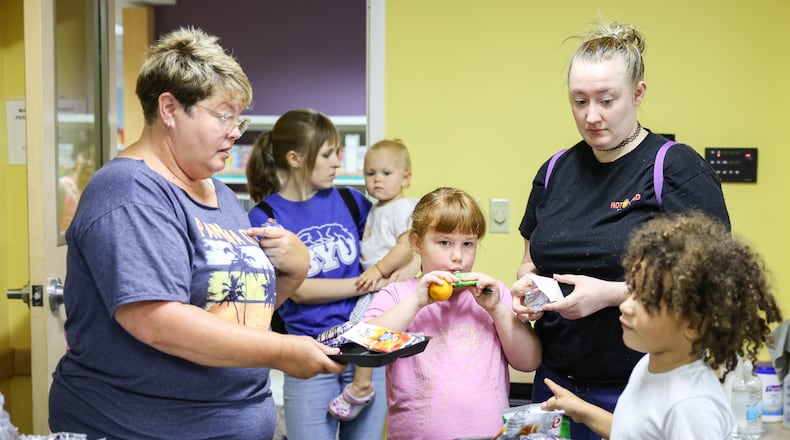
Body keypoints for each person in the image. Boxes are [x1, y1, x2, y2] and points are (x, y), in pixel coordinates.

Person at [48, 27, 345, 440]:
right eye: (223, 115)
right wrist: (282, 350)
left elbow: (227, 311)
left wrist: (291, 275)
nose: (236, 131)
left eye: (237, 118)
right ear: (169, 109)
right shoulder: (129, 191)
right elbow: (157, 321)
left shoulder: (218, 193)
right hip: (140, 427)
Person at [511, 19, 731, 440]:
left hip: (641, 384)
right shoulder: (555, 171)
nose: (591, 116)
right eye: (579, 101)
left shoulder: (676, 169)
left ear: (638, 93)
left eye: (606, 100)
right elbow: (529, 263)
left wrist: (609, 294)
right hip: (555, 380)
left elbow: (712, 283)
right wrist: (529, 292)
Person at [541, 211, 782, 439]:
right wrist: (582, 410)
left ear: (695, 325)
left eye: (645, 300)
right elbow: (633, 433)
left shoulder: (692, 407)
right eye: (632, 291)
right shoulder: (651, 364)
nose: (626, 306)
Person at [245, 109, 387, 439]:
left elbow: (388, 253)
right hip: (308, 354)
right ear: (295, 158)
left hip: (365, 352)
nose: (338, 162)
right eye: (327, 154)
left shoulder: (353, 202)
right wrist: (364, 284)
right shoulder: (265, 216)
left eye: (337, 152)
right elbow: (299, 290)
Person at [364, 187, 542, 440]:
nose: (458, 256)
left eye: (468, 244)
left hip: (489, 435)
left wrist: (496, 309)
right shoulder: (398, 295)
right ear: (417, 243)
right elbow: (369, 346)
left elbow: (529, 362)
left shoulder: (494, 295)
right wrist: (416, 301)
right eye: (444, 242)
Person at [327, 138, 419, 420]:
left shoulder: (402, 208)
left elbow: (406, 245)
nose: (377, 180)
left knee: (366, 329)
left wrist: (379, 270)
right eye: (370, 173)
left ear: (406, 178)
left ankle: (362, 385)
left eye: (386, 173)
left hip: (385, 284)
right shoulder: (377, 207)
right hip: (376, 283)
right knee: (359, 327)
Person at [58, 136, 95, 232]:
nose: (90, 163)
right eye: (85, 156)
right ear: (75, 158)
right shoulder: (62, 187)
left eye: (93, 158)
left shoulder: (95, 190)